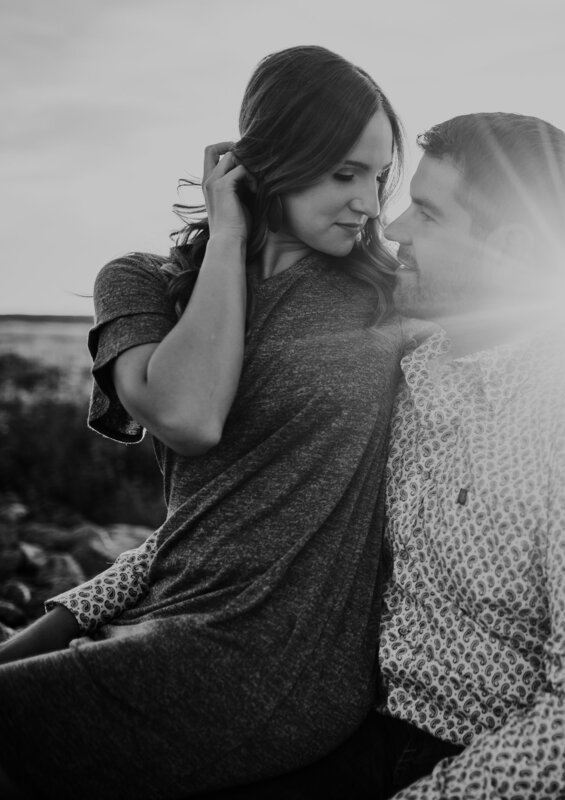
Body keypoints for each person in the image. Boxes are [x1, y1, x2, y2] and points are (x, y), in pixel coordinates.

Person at [206, 112, 565, 799]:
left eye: (430, 214)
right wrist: (85, 613)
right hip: (366, 733)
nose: (397, 228)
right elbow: (249, 507)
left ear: (512, 250)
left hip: (532, 773)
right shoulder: (401, 372)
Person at [0, 45, 407, 798]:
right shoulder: (142, 284)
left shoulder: (384, 297)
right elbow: (190, 416)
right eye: (344, 173)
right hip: (169, 623)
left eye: (379, 177)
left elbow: (190, 422)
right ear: (270, 159)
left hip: (280, 661)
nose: (370, 204)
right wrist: (227, 238)